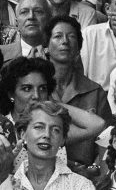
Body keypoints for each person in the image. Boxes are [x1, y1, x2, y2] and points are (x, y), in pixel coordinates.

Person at [0, 57, 105, 163]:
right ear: (11, 94)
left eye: (42, 88)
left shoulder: (52, 127)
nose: (36, 95)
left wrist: (54, 103)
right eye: (27, 89)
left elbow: (97, 124)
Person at [45, 15, 110, 171]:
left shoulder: (95, 92)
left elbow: (107, 139)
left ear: (79, 47)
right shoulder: (38, 89)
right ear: (46, 47)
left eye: (71, 36)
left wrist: (95, 167)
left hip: (86, 174)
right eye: (58, 36)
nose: (65, 41)